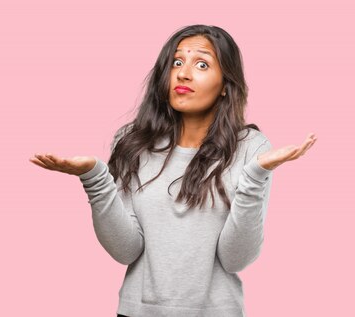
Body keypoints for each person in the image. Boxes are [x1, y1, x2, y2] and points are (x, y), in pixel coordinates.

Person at [29, 24, 316, 317]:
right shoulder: (132, 142)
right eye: (177, 62)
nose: (183, 73)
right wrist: (94, 179)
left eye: (201, 64)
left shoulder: (250, 147)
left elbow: (235, 259)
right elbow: (125, 250)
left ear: (226, 86)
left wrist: (256, 176)